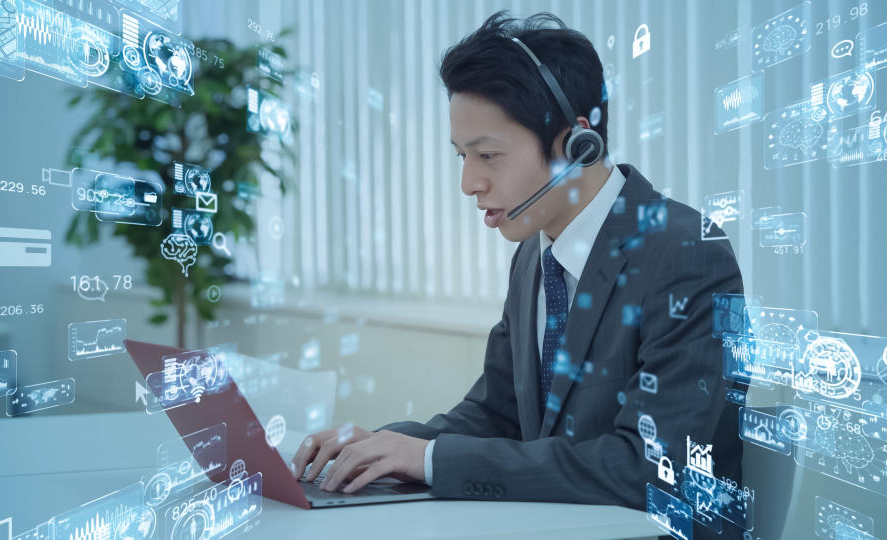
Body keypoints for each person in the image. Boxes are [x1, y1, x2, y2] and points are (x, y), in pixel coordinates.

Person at [292, 11, 745, 535]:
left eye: (487, 155)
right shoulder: (535, 255)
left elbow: (650, 468)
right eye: (462, 156)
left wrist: (434, 461)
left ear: (577, 146)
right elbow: (496, 413)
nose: (468, 183)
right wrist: (383, 446)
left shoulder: (686, 252)